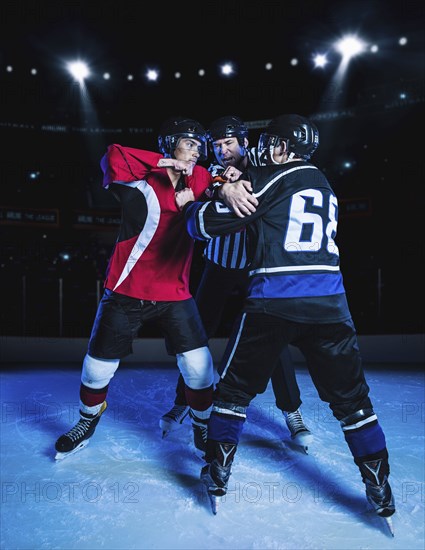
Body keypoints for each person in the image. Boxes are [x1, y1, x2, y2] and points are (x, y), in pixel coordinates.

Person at [184, 114, 395, 528]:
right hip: (332, 306)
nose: (263, 150)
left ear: (281, 148)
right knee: (353, 403)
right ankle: (379, 484)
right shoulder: (325, 183)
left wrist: (215, 195)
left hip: (274, 301)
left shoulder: (269, 179)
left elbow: (201, 226)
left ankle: (218, 470)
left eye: (269, 143)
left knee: (231, 394)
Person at [54, 117, 219, 459]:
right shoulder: (141, 179)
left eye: (199, 146)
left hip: (175, 293)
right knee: (97, 368)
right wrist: (167, 162)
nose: (195, 151)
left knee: (199, 367)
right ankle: (88, 419)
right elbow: (112, 155)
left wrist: (226, 183)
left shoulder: (200, 179)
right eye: (188, 143)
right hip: (126, 290)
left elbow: (217, 180)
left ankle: (203, 426)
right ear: (169, 144)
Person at [160, 116, 313, 450]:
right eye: (216, 145)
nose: (222, 150)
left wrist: (243, 179)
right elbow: (211, 182)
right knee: (193, 339)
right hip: (218, 265)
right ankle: (184, 401)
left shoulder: (263, 162)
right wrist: (220, 186)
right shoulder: (213, 170)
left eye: (228, 143)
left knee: (274, 336)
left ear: (244, 142)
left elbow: (279, 183)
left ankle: (292, 410)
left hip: (255, 269)